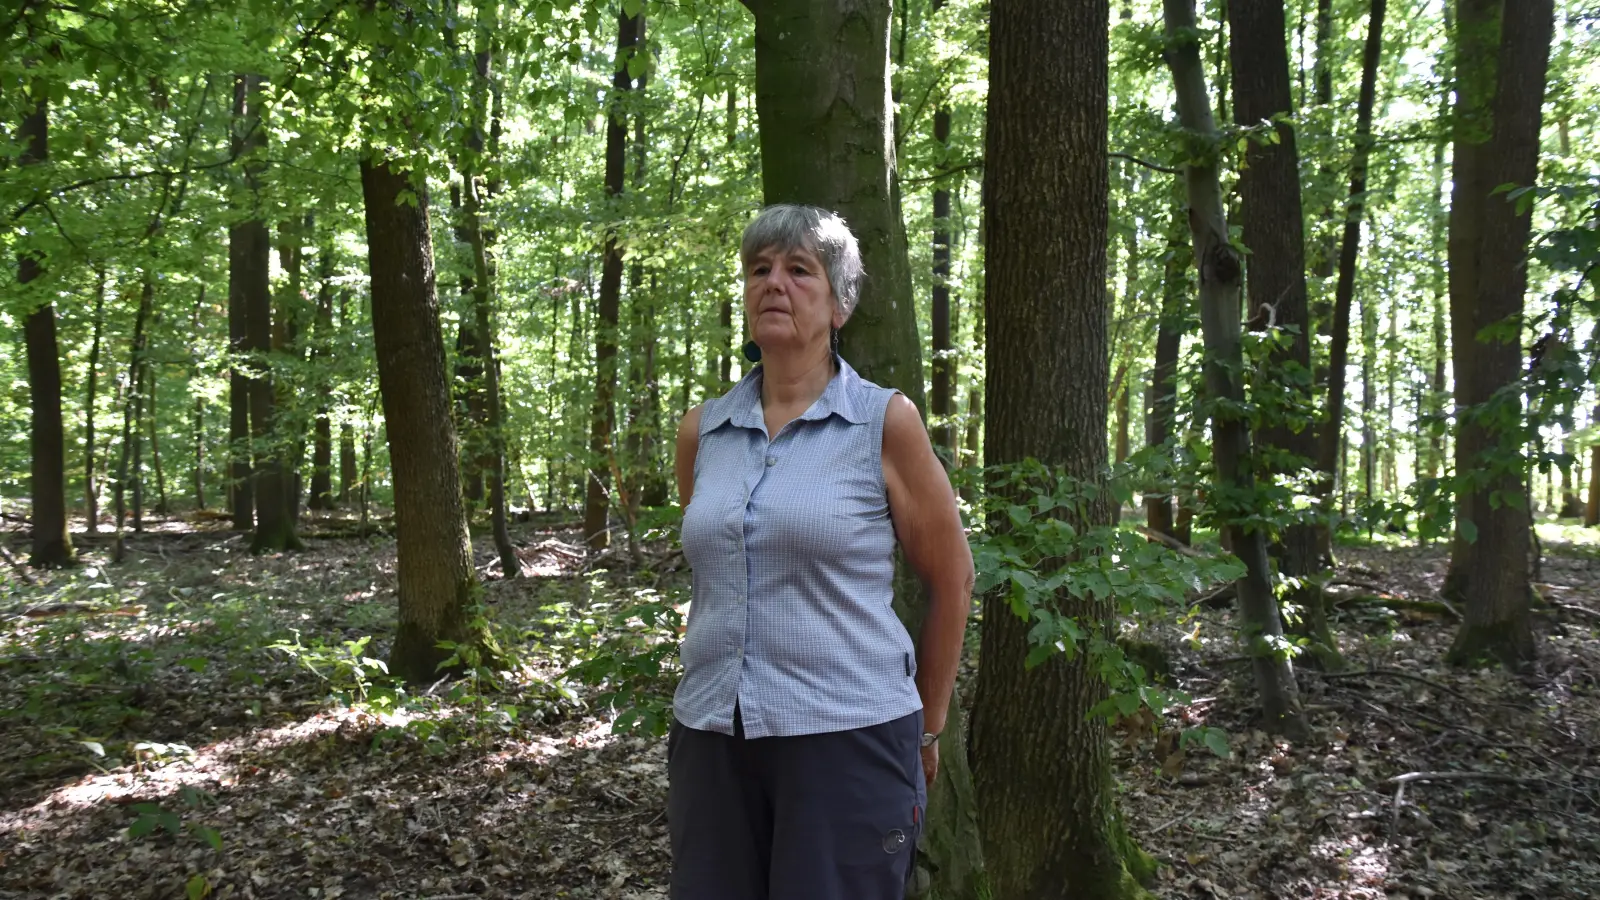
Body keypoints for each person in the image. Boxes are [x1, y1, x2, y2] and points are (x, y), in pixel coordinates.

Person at [668, 204, 974, 900]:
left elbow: (952, 578)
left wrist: (928, 728)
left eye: (799, 270)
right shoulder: (703, 431)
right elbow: (715, 580)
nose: (774, 282)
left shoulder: (882, 422)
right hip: (712, 739)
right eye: (759, 269)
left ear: (840, 304)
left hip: (849, 742)